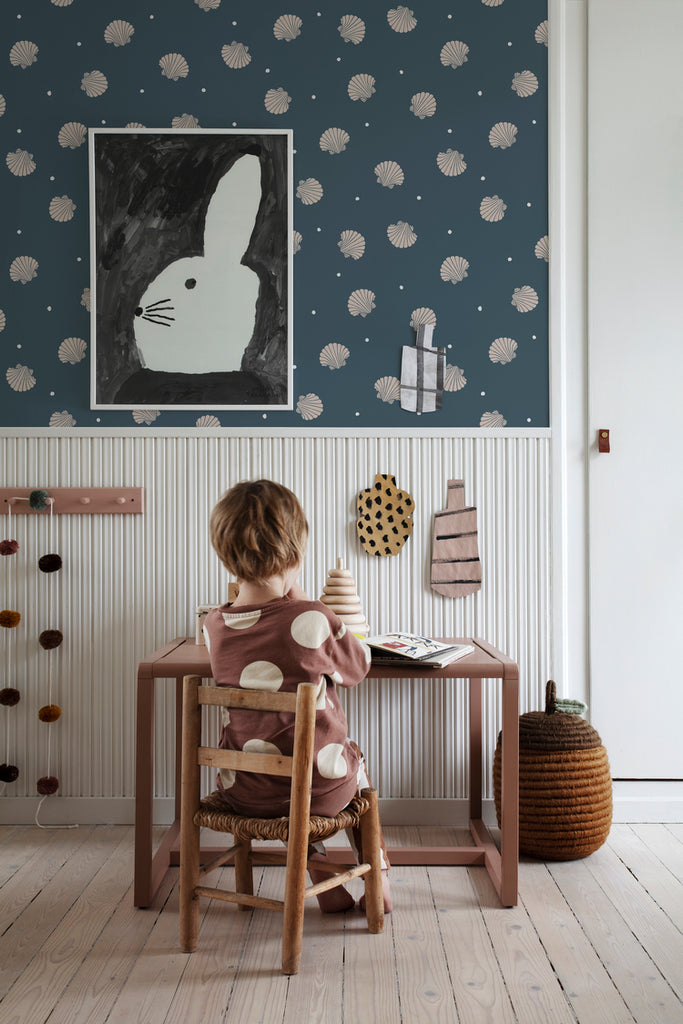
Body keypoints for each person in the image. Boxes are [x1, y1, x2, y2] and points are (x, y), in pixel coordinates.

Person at [203, 479, 391, 914]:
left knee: (286, 765)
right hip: (318, 790)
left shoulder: (215, 625)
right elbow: (358, 666)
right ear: (295, 553)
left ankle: (323, 878)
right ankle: (378, 882)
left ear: (226, 555)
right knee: (351, 765)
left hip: (245, 788)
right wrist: (308, 602)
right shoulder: (311, 617)